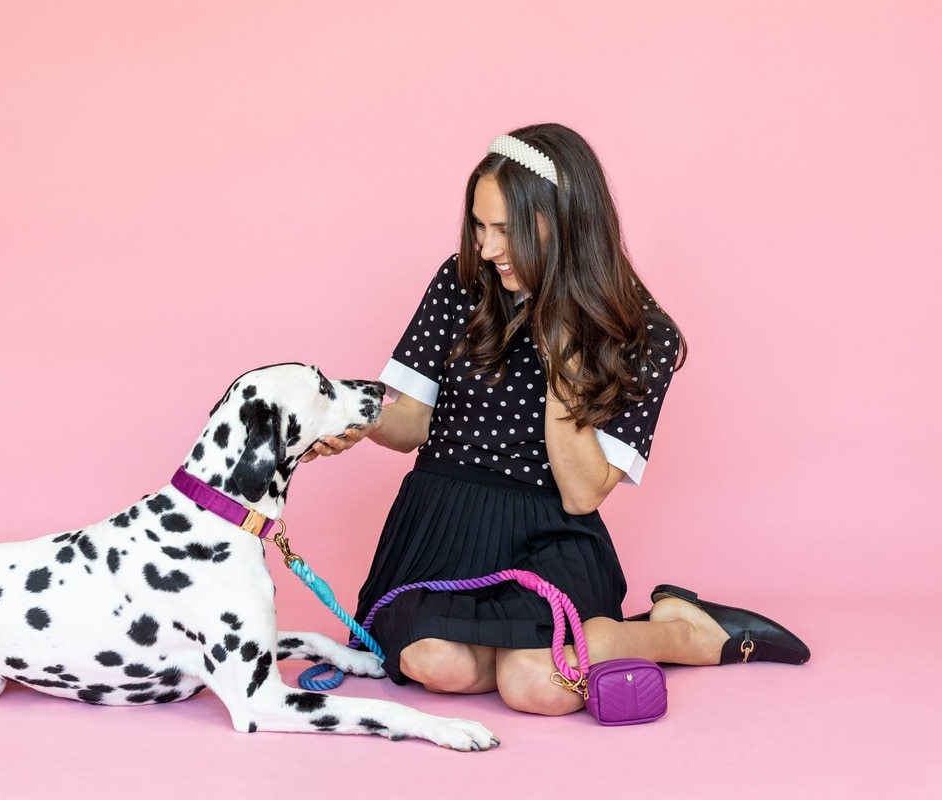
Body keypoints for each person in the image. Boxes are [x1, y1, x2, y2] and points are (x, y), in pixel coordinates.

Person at [301, 123, 809, 716]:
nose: (487, 249)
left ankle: (680, 633)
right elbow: (413, 421)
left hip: (549, 532)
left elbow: (581, 492)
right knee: (433, 663)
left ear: (564, 223)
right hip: (443, 522)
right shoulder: (462, 280)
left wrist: (561, 349)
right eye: (479, 226)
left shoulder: (643, 334)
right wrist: (354, 419)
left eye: (506, 231)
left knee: (537, 685)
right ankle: (561, 645)